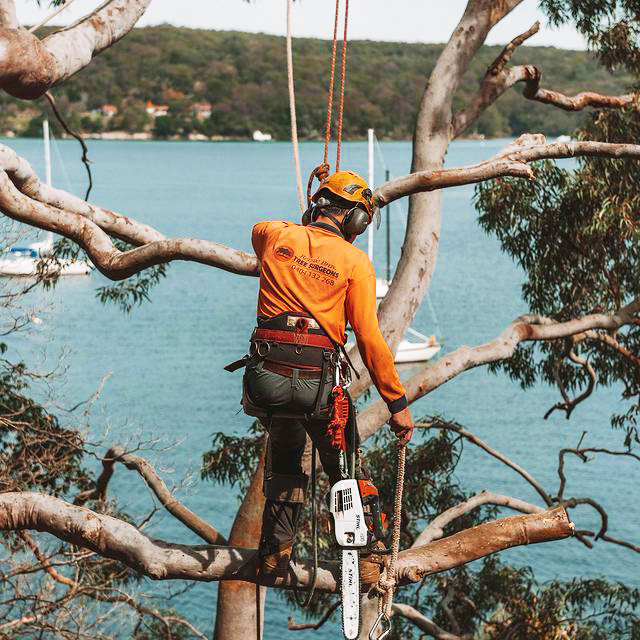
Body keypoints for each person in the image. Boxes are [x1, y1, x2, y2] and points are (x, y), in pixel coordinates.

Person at [235, 167, 414, 582]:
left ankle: (274, 554)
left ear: (318, 205)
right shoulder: (355, 263)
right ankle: (368, 560)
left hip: (266, 382)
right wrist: (397, 405)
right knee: (347, 468)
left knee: (285, 460)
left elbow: (269, 232)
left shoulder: (275, 235)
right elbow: (369, 341)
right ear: (356, 219)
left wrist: (314, 201)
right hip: (318, 388)